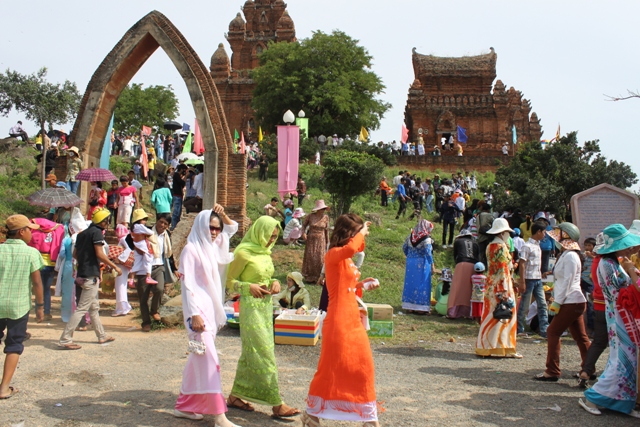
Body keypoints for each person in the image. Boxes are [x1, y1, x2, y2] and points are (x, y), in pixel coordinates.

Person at [302, 215, 381, 427]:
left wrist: (362, 285)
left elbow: (346, 287)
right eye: (357, 233)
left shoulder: (345, 260)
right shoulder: (333, 255)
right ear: (348, 234)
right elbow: (351, 248)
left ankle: (368, 417)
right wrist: (362, 231)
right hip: (337, 320)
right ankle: (312, 413)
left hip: (352, 318)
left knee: (363, 365)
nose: (362, 237)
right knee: (330, 367)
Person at [225, 216, 300, 419]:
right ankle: (276, 404)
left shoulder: (265, 252)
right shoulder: (243, 252)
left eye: (274, 237)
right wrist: (247, 287)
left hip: (266, 307)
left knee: (252, 353)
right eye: (269, 236)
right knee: (265, 354)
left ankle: (235, 396)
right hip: (250, 309)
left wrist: (275, 282)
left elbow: (266, 276)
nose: (271, 241)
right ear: (259, 232)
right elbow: (229, 280)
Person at [173, 206, 240, 425]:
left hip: (209, 311)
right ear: (201, 226)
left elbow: (232, 228)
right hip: (197, 314)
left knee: (198, 357)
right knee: (210, 360)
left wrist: (223, 215)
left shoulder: (212, 247)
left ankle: (184, 406)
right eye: (211, 227)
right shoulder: (191, 250)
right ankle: (219, 415)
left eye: (217, 228)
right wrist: (194, 315)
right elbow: (188, 285)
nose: (214, 232)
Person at [580, 224, 640, 417]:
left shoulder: (614, 262)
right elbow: (617, 292)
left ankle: (622, 403)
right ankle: (592, 397)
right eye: (626, 245)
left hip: (621, 314)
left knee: (628, 359)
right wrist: (632, 273)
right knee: (621, 360)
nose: (630, 249)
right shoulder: (607, 264)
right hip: (617, 315)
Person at [58, 208, 122, 350]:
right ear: (103, 221)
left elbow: (75, 254)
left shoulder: (81, 234)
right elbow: (100, 253)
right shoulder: (96, 233)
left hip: (81, 274)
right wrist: (114, 266)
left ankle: (101, 335)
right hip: (90, 276)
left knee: (94, 308)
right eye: (107, 220)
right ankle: (65, 338)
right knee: (82, 308)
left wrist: (85, 261)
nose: (108, 223)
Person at [535, 222, 591, 381]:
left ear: (565, 236)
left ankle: (552, 370)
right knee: (580, 337)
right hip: (572, 300)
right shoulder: (567, 254)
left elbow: (568, 281)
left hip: (570, 301)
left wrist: (557, 302)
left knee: (553, 332)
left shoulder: (571, 256)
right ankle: (589, 369)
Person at [0, 215, 44, 399]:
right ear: (21, 232)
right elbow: (37, 283)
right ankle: (4, 388)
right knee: (14, 344)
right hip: (18, 306)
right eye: (29, 230)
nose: (31, 233)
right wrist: (40, 306)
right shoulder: (31, 253)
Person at [475, 218, 521, 358]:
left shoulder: (490, 246)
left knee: (491, 315)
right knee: (504, 315)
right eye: (507, 232)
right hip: (502, 285)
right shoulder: (501, 247)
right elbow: (502, 270)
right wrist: (505, 289)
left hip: (491, 284)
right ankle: (503, 347)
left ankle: (487, 346)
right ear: (502, 233)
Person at [27, 218, 64, 321]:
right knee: (47, 289)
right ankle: (46, 312)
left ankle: (38, 312)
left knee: (37, 287)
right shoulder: (57, 229)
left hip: (36, 263)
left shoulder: (34, 230)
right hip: (50, 263)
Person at [516, 221, 549, 337]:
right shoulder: (527, 246)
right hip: (529, 279)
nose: (544, 234)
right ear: (538, 232)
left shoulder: (537, 245)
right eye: (543, 232)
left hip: (537, 278)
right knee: (524, 305)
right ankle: (520, 328)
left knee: (542, 304)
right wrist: (522, 281)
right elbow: (522, 263)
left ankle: (544, 329)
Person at [401, 220, 435, 314]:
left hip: (411, 262)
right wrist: (432, 264)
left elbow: (404, 248)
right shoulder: (426, 239)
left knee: (410, 283)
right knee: (422, 283)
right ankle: (420, 308)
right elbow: (428, 252)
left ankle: (409, 306)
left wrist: (410, 256)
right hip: (422, 262)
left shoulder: (410, 237)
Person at [448, 229, 479, 318]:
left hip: (461, 263)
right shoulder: (475, 243)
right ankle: (470, 312)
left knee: (457, 288)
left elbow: (455, 255)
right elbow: (478, 256)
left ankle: (453, 312)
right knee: (470, 289)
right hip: (473, 265)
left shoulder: (458, 241)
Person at [302, 200, 330, 283]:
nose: (322, 210)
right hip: (311, 239)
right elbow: (303, 226)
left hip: (321, 239)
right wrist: (303, 233)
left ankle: (319, 277)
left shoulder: (326, 217)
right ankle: (309, 277)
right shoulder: (310, 216)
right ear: (317, 209)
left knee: (320, 257)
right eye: (321, 209)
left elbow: (326, 230)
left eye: (324, 209)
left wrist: (328, 242)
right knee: (311, 257)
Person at [129, 209, 158, 288]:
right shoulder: (140, 226)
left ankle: (131, 279)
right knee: (149, 259)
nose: (145, 221)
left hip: (136, 245)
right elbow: (151, 232)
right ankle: (148, 277)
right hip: (142, 245)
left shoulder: (133, 227)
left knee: (137, 262)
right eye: (144, 220)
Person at [111, 225, 133, 317]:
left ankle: (122, 309)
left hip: (121, 266)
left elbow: (128, 249)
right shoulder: (124, 238)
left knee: (120, 287)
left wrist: (120, 259)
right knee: (121, 286)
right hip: (123, 266)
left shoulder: (123, 239)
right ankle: (124, 307)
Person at [170, 164, 188, 231]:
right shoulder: (176, 175)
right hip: (177, 195)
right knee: (176, 212)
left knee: (178, 212)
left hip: (179, 195)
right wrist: (185, 177)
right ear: (181, 169)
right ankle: (173, 226)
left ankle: (175, 225)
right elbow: (182, 183)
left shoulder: (177, 176)